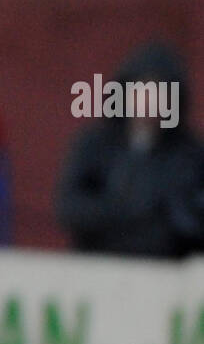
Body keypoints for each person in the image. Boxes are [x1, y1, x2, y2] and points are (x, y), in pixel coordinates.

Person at [56, 40, 204, 258]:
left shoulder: (189, 155)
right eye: (142, 90)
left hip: (166, 273)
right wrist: (119, 211)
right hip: (99, 266)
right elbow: (70, 206)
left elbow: (191, 220)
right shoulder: (96, 145)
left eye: (159, 93)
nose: (149, 102)